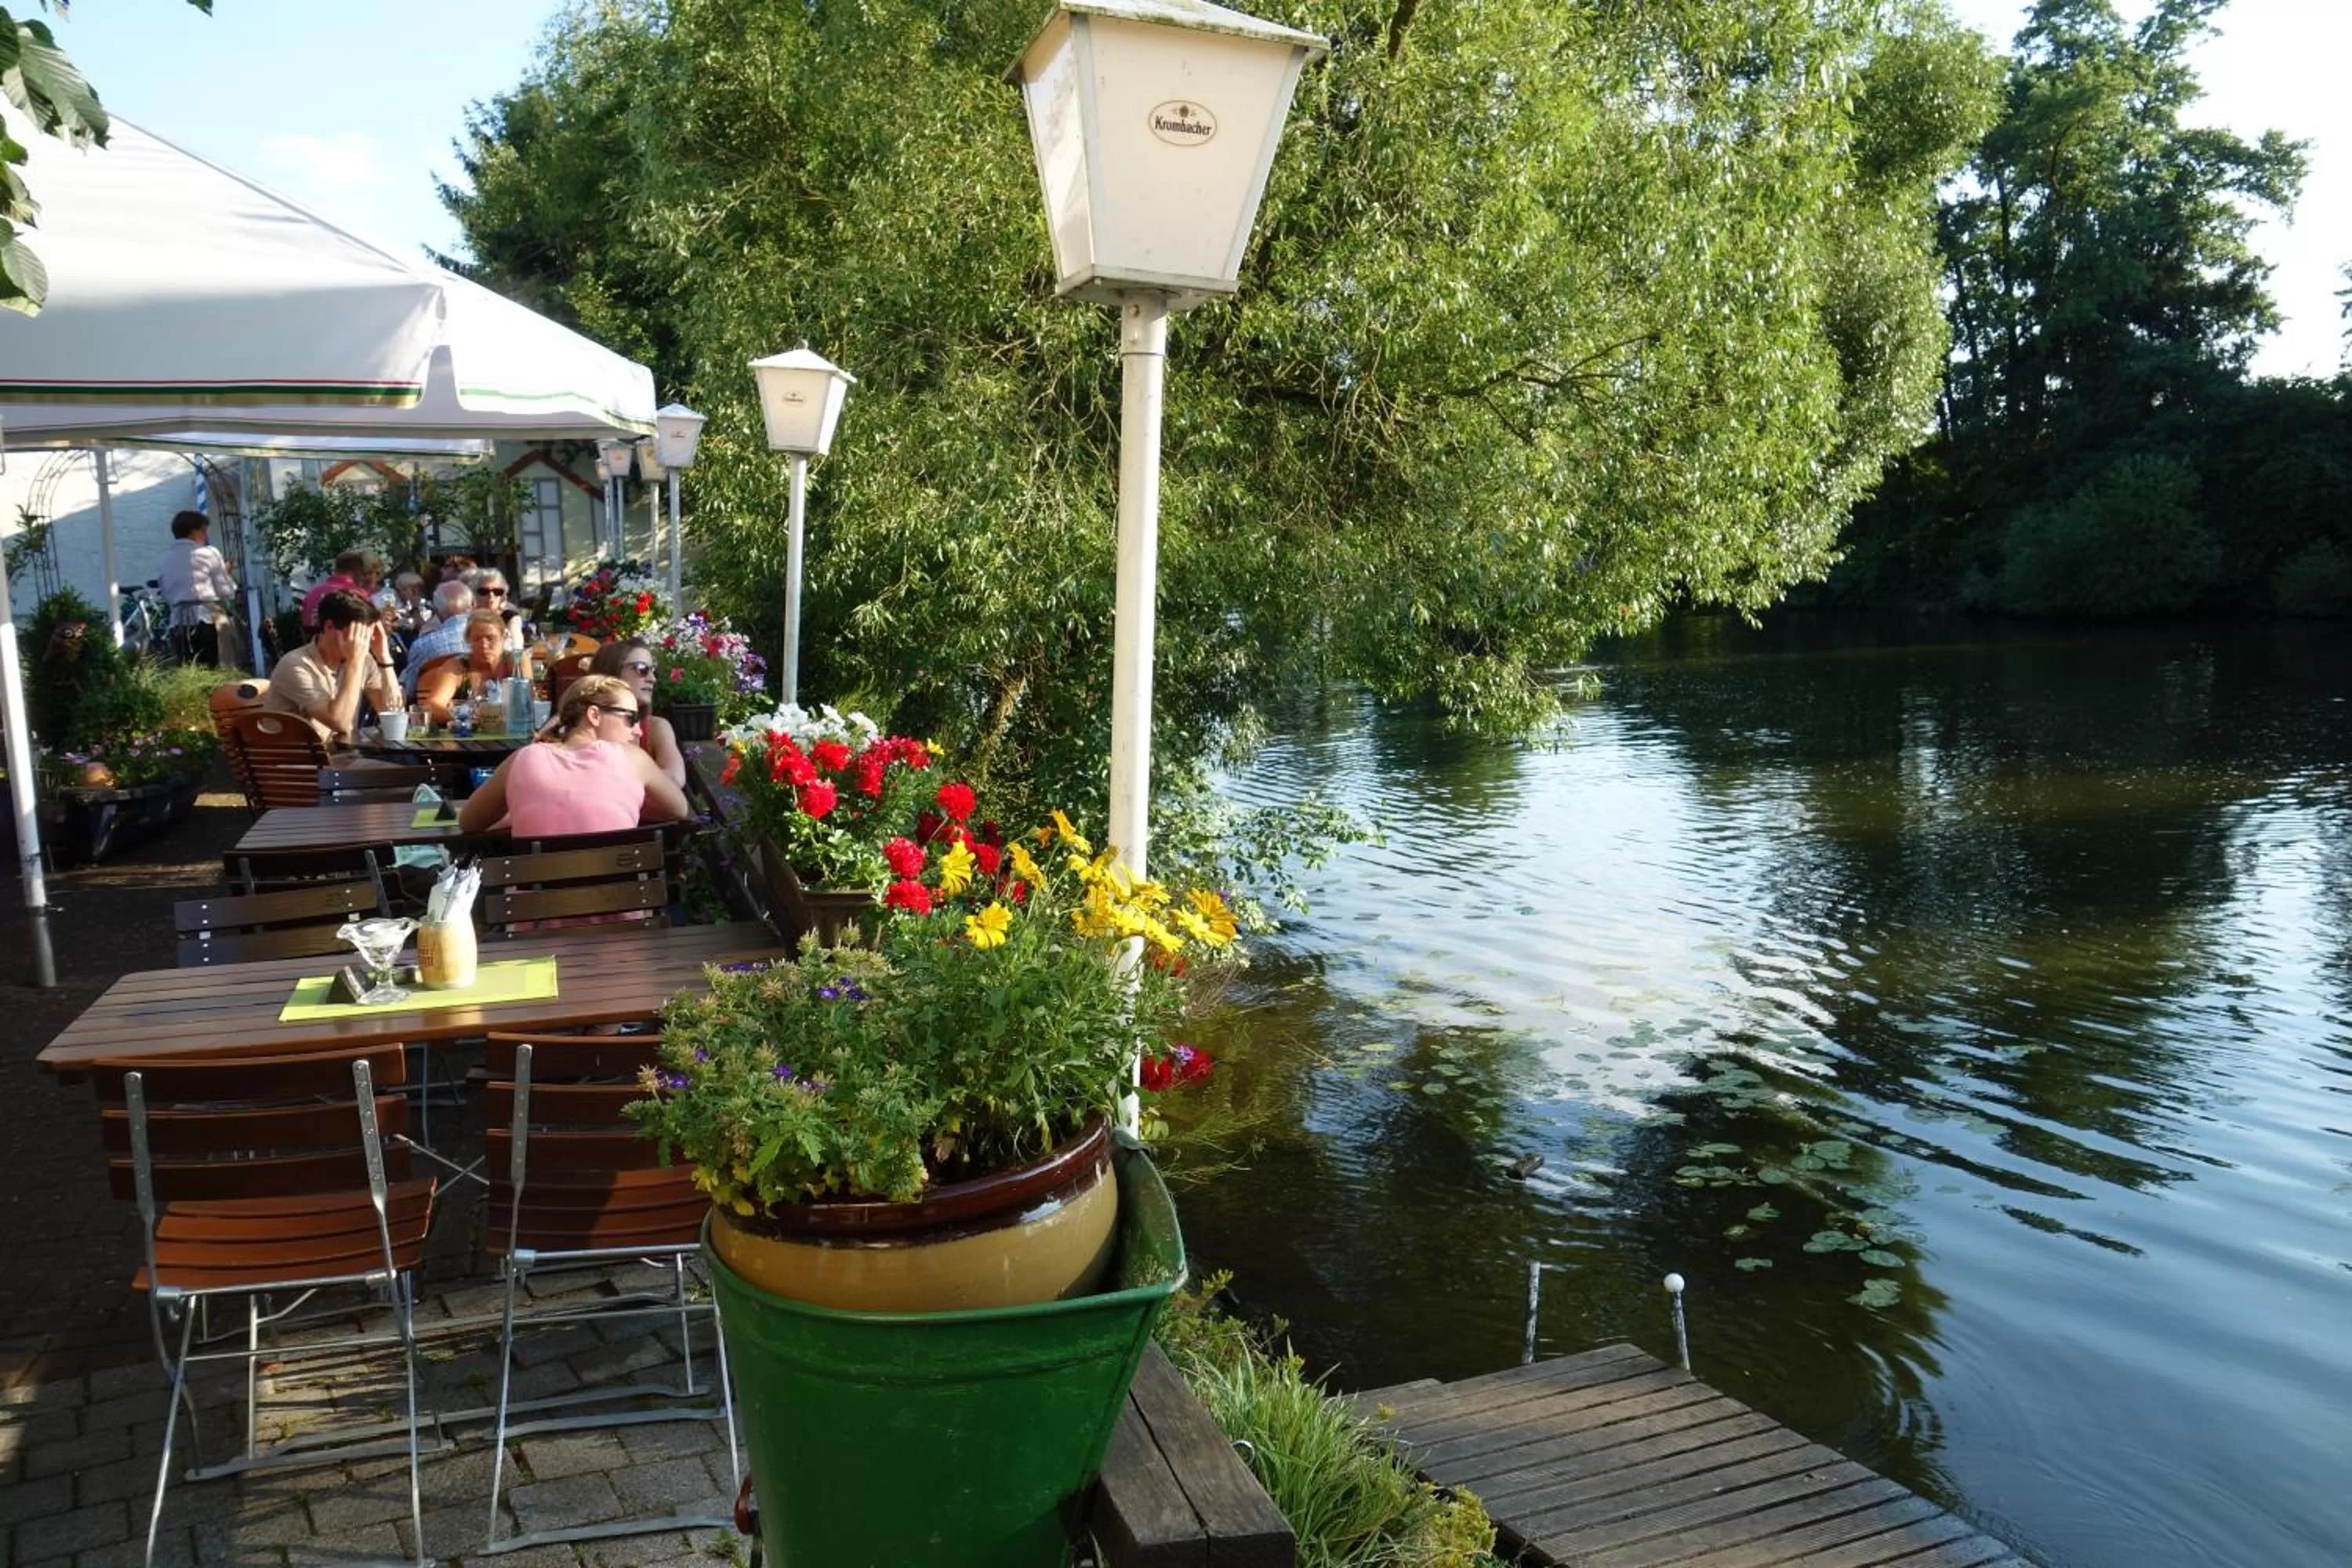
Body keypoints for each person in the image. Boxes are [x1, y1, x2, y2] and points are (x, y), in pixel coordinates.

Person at [459, 673, 688, 837]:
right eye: (631, 719)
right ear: (594, 715)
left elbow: (468, 822)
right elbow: (679, 809)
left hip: (538, 892)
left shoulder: (523, 759)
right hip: (617, 892)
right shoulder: (633, 759)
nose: (638, 730)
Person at [263, 588, 401, 746]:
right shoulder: (296, 665)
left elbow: (392, 713)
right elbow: (340, 722)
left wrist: (384, 657)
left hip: (341, 755)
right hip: (299, 759)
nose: (365, 641)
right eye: (358, 634)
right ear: (329, 627)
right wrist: (354, 663)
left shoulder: (363, 660)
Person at [590, 637, 687, 790]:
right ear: (612, 673)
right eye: (642, 669)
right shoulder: (582, 726)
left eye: (653, 671)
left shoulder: (655, 727)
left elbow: (675, 779)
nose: (652, 679)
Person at [416, 609, 535, 726]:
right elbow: (432, 705)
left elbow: (527, 699)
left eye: (490, 638)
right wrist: (464, 716)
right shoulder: (458, 666)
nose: (484, 645)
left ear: (504, 637)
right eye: (477, 639)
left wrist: (460, 710)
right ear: (468, 640)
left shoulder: (517, 660)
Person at [154, 510, 237, 668]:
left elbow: (165, 591)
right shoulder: (208, 553)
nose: (205, 536)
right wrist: (226, 573)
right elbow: (226, 591)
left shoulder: (164, 557)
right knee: (218, 668)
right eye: (203, 531)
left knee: (188, 669)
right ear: (193, 532)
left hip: (178, 621)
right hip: (207, 617)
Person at [401, 580, 476, 699]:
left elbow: (410, 691)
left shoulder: (422, 646)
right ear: (473, 606)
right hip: (485, 708)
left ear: (437, 612)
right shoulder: (495, 641)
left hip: (434, 709)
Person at [300, 550, 379, 632]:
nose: (363, 577)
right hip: (345, 639)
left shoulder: (313, 593)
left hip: (312, 639)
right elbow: (372, 627)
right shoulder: (359, 595)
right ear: (357, 571)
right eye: (363, 573)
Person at [467, 567, 527, 652]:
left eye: (497, 592)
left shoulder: (510, 617)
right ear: (474, 594)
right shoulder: (467, 618)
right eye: (484, 592)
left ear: (503, 597)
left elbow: (517, 647)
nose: (491, 597)